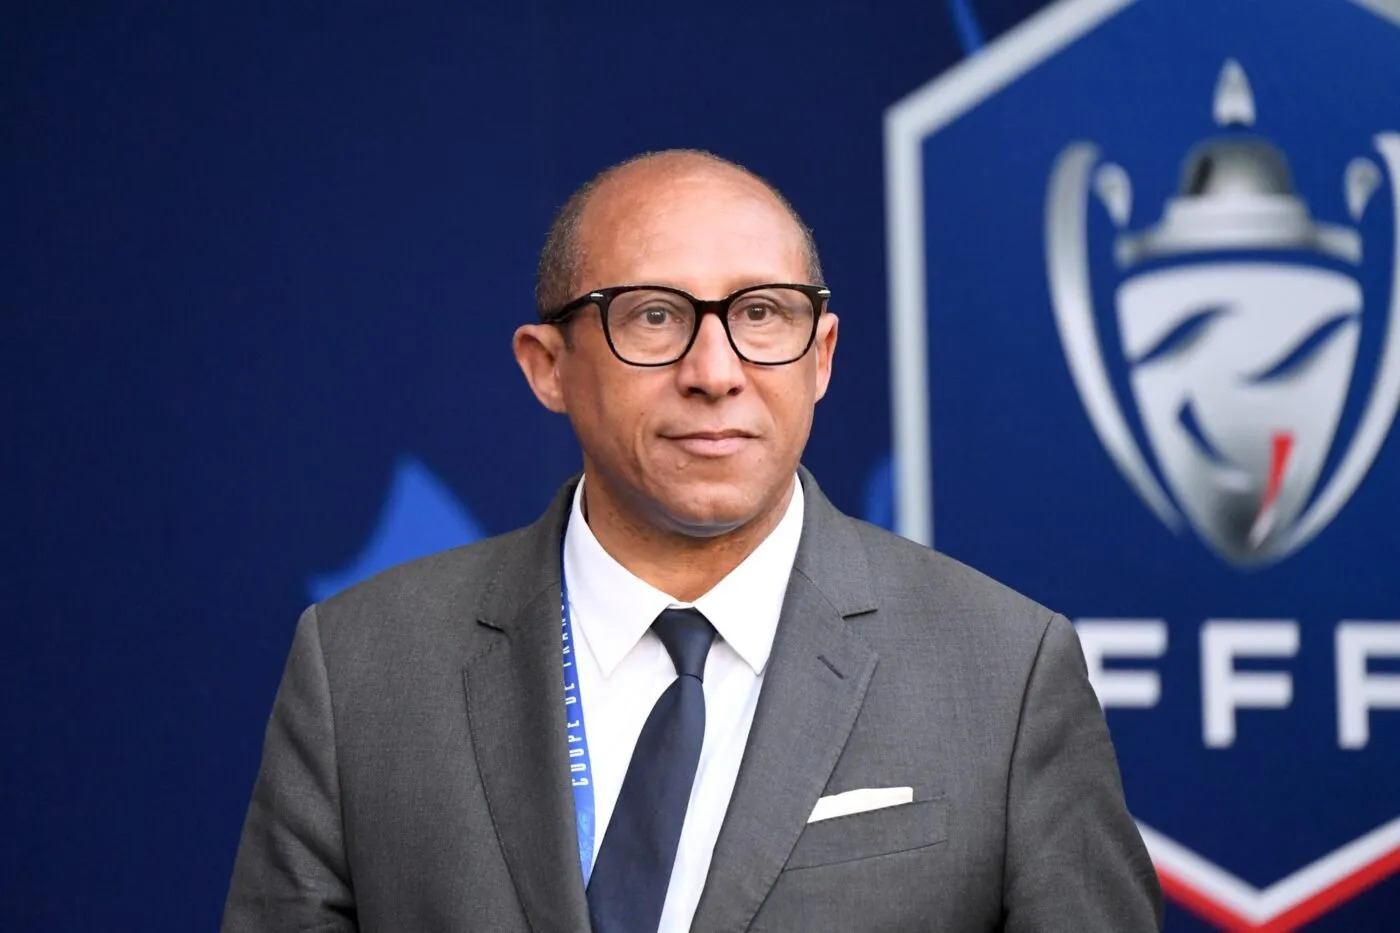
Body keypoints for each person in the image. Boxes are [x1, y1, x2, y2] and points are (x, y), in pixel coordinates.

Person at [222, 149, 1163, 932]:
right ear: (547, 366)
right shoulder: (362, 666)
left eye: (761, 314)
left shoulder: (1004, 672)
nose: (715, 371)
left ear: (822, 356)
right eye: (654, 316)